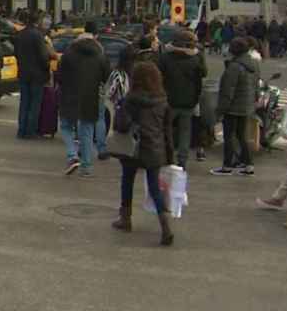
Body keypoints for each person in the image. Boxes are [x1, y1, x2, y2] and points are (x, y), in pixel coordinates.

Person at [111, 62, 176, 246]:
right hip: (155, 148)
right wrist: (170, 156)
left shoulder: (131, 100)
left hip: (132, 148)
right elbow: (167, 131)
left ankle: (125, 218)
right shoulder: (163, 101)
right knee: (155, 188)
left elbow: (121, 126)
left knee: (127, 181)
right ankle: (165, 226)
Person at [57, 21, 111, 177]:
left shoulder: (70, 51)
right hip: (91, 95)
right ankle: (86, 166)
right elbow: (106, 75)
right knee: (86, 130)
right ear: (95, 36)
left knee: (66, 126)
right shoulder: (100, 53)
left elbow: (60, 74)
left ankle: (72, 154)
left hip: (69, 94)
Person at [158, 31, 207, 168]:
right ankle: (182, 160)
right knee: (185, 131)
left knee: (165, 129)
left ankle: (166, 157)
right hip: (190, 100)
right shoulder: (196, 58)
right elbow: (204, 73)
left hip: (170, 99)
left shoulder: (166, 57)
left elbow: (159, 74)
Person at [210, 37, 259, 176]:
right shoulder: (253, 64)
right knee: (242, 136)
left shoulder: (234, 67)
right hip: (247, 106)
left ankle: (227, 165)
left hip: (233, 107)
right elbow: (256, 85)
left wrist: (220, 110)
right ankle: (248, 165)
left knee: (229, 136)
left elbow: (227, 91)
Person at [14, 12, 52, 139]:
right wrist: (47, 67)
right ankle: (30, 131)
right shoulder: (38, 35)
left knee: (24, 102)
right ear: (38, 22)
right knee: (35, 104)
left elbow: (17, 54)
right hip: (37, 74)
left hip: (23, 73)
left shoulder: (20, 35)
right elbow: (43, 56)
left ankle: (21, 130)